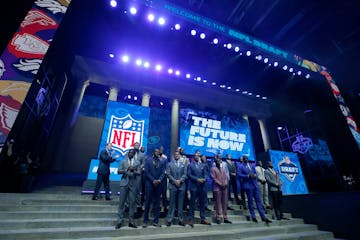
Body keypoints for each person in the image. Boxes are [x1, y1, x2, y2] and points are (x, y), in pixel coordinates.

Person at [237, 155, 271, 223]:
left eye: (247, 158)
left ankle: (263, 216)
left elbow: (255, 173)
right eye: (245, 159)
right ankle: (253, 217)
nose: (246, 159)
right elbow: (239, 174)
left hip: (255, 185)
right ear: (243, 160)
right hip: (248, 186)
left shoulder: (252, 166)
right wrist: (248, 176)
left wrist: (255, 175)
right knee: (250, 202)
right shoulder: (240, 166)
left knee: (259, 202)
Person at [115, 149, 141, 229]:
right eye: (129, 152)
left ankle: (131, 222)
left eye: (132, 153)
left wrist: (134, 170)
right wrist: (127, 169)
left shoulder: (137, 162)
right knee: (121, 203)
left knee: (132, 203)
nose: (130, 154)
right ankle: (119, 221)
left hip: (133, 184)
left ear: (134, 154)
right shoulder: (123, 161)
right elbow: (118, 171)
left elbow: (139, 172)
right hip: (124, 184)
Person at [143, 148, 166, 227]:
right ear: (153, 152)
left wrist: (159, 180)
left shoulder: (162, 161)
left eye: (158, 151)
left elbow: (163, 172)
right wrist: (153, 180)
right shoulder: (148, 160)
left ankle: (156, 221)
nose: (157, 152)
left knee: (157, 203)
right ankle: (145, 221)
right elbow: (146, 172)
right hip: (150, 183)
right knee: (148, 202)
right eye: (156, 151)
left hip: (158, 184)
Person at [187, 150, 211, 227]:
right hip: (194, 187)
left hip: (202, 187)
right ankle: (191, 219)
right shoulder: (190, 165)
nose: (197, 156)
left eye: (198, 155)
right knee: (192, 204)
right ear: (194, 157)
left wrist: (205, 179)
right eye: (196, 155)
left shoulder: (203, 165)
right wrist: (197, 179)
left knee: (202, 203)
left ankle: (203, 219)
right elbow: (189, 175)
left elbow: (207, 174)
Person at [166, 150, 187, 226]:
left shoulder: (183, 164)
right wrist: (175, 181)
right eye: (175, 154)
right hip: (173, 186)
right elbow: (168, 174)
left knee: (180, 204)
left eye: (178, 154)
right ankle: (169, 220)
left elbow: (185, 174)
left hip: (181, 186)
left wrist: (180, 181)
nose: (177, 155)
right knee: (172, 204)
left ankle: (180, 220)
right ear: (174, 156)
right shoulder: (169, 164)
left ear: (180, 156)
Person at [211, 156, 232, 224]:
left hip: (224, 188)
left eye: (220, 161)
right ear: (215, 162)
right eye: (218, 161)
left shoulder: (223, 169)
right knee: (218, 203)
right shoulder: (213, 169)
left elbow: (225, 177)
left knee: (225, 203)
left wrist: (225, 183)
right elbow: (214, 178)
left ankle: (225, 217)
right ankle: (218, 217)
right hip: (217, 188)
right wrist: (220, 184)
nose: (219, 162)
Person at [132, 142, 145, 212]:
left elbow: (143, 163)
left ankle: (138, 205)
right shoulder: (130, 152)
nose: (137, 146)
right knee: (129, 189)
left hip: (138, 174)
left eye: (138, 145)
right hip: (130, 173)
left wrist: (138, 168)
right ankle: (128, 205)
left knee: (137, 190)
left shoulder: (142, 154)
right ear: (134, 145)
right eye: (136, 145)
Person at [159, 146, 169, 212]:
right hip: (157, 177)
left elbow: (166, 167)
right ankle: (158, 206)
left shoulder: (165, 157)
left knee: (164, 193)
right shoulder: (155, 157)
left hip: (163, 178)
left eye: (162, 149)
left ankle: (164, 206)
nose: (161, 150)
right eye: (160, 149)